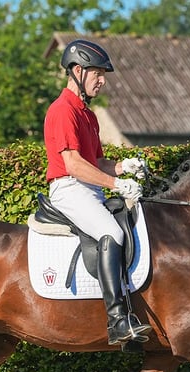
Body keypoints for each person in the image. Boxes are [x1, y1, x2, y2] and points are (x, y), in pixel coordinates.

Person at [44, 39, 152, 346]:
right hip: (69, 189)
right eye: (97, 74)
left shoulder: (87, 114)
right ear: (78, 71)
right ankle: (117, 320)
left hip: (89, 188)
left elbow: (98, 162)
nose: (102, 81)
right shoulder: (63, 110)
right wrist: (117, 185)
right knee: (111, 232)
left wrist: (123, 167)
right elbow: (74, 164)